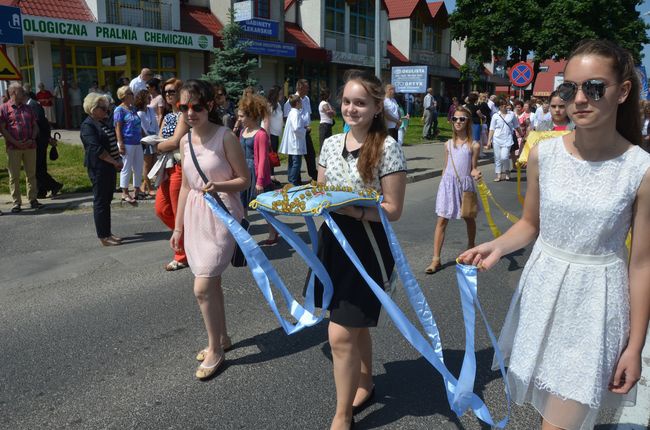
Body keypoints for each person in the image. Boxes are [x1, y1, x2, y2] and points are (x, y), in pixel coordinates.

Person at [459, 39, 650, 430]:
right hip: (543, 294)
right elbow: (531, 224)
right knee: (548, 414)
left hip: (597, 305)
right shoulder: (545, 154)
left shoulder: (640, 169)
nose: (580, 99)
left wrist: (635, 345)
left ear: (623, 91)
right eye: (569, 88)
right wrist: (497, 244)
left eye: (595, 87)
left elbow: (643, 264)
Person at [315, 69, 407, 430]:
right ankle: (365, 382)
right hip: (333, 243)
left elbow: (393, 211)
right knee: (355, 327)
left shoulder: (387, 146)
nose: (351, 109)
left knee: (339, 333)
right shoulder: (329, 144)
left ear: (375, 107)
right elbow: (320, 192)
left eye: (360, 103)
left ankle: (342, 415)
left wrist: (350, 209)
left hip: (367, 246)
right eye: (347, 101)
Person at [170, 79, 250, 380]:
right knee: (212, 283)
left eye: (197, 107)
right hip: (195, 217)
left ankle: (215, 350)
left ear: (210, 106)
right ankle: (223, 338)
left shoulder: (225, 137)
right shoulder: (184, 141)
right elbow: (186, 186)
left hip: (222, 215)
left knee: (202, 286)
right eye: (184, 107)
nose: (190, 113)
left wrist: (219, 185)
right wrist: (177, 226)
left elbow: (245, 179)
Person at [425, 107, 481, 273]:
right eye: (455, 119)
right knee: (441, 221)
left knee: (469, 218)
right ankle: (436, 259)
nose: (458, 122)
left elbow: (473, 168)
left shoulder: (474, 145)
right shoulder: (448, 144)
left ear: (468, 122)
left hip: (465, 187)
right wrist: (443, 183)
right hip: (448, 186)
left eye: (462, 119)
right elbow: (446, 166)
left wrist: (476, 173)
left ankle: (471, 246)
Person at [155, 78, 190, 272]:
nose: (168, 94)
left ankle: (182, 255)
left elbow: (175, 142)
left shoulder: (184, 115)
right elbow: (161, 138)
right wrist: (159, 144)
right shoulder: (168, 116)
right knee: (161, 209)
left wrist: (156, 145)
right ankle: (188, 239)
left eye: (172, 91)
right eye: (166, 92)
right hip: (165, 166)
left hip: (179, 165)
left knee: (179, 212)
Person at [80, 93, 123, 246]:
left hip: (109, 166)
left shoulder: (102, 122)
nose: (107, 111)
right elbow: (96, 149)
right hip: (99, 168)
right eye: (103, 108)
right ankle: (104, 236)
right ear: (93, 109)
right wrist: (114, 162)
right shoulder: (88, 125)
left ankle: (108, 232)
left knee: (106, 201)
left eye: (107, 108)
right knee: (100, 202)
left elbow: (111, 143)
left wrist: (118, 159)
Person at [237, 94, 277, 244]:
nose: (239, 119)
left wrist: (260, 181)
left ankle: (273, 233)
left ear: (251, 115)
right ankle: (245, 234)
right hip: (244, 173)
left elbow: (262, 160)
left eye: (241, 116)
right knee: (242, 205)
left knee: (263, 207)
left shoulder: (261, 134)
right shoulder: (243, 132)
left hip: (257, 174)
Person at [0, 82, 43, 213]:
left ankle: (33, 199)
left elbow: (35, 125)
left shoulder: (28, 107)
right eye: (21, 92)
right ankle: (16, 203)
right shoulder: (4, 108)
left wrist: (31, 139)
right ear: (13, 93)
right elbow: (3, 129)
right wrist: (15, 142)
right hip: (13, 147)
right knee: (14, 176)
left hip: (30, 146)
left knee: (31, 174)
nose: (24, 93)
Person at [26, 90, 63, 199]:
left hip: (40, 141)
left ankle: (54, 185)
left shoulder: (33, 105)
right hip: (38, 141)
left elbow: (42, 123)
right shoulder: (30, 105)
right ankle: (41, 191)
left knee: (38, 168)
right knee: (39, 167)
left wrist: (48, 138)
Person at [114, 85, 144, 203]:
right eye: (130, 93)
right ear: (124, 96)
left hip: (137, 142)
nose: (133, 95)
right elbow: (118, 127)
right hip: (127, 142)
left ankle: (137, 190)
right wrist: (120, 143)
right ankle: (125, 192)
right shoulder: (119, 110)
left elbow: (137, 124)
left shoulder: (132, 108)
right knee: (126, 167)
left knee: (138, 167)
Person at [283, 79, 317, 182]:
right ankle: (295, 180)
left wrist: (306, 126)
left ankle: (314, 174)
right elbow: (286, 118)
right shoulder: (291, 101)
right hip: (296, 134)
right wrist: (300, 129)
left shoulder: (306, 99)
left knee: (310, 154)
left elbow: (308, 113)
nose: (308, 90)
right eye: (306, 88)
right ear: (300, 88)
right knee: (295, 158)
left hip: (306, 130)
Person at [487, 96, 519, 181]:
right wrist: (489, 141)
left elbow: (516, 125)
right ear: (499, 106)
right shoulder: (495, 116)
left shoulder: (511, 114)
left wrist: (521, 134)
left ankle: (507, 171)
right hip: (497, 139)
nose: (504, 106)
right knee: (497, 157)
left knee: (504, 157)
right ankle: (498, 175)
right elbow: (492, 129)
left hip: (507, 138)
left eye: (505, 104)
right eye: (502, 105)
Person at [135, 89, 158, 197]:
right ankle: (149, 188)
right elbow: (143, 129)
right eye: (148, 97)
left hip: (154, 139)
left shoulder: (150, 110)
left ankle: (143, 186)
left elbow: (155, 123)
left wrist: (157, 136)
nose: (150, 99)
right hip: (146, 141)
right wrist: (150, 138)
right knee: (147, 165)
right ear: (142, 99)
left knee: (153, 163)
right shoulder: (139, 113)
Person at [279, 95, 306, 186]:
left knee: (292, 162)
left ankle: (291, 179)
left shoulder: (292, 112)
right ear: (297, 103)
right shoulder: (296, 113)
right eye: (301, 102)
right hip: (295, 142)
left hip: (293, 141)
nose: (302, 103)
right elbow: (296, 128)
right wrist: (305, 130)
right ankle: (292, 181)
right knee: (296, 163)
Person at [263, 85, 283, 184]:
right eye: (280, 93)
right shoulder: (269, 106)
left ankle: (271, 176)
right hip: (269, 134)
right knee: (269, 156)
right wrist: (268, 137)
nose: (282, 95)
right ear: (276, 94)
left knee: (272, 155)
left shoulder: (277, 105)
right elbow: (266, 122)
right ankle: (270, 177)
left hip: (275, 134)